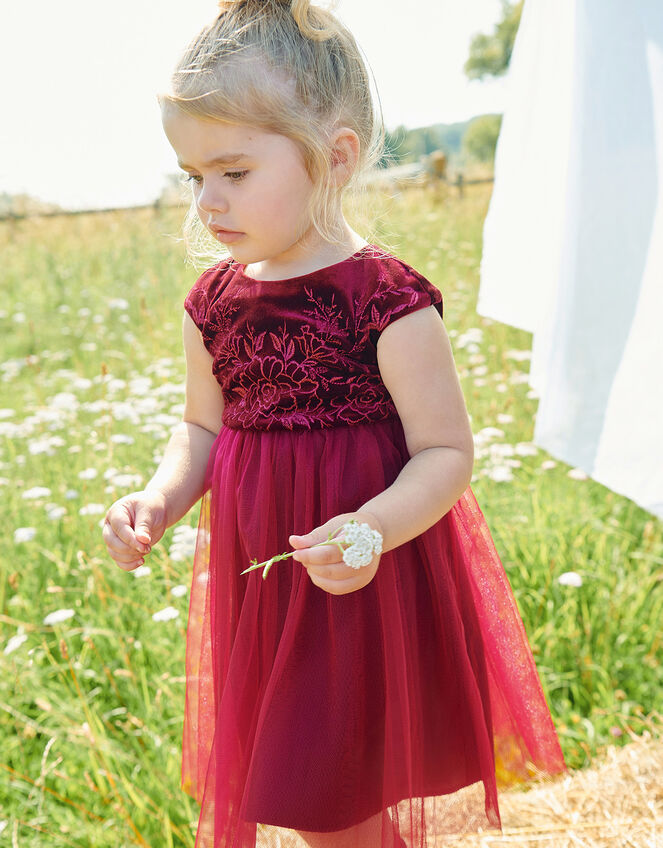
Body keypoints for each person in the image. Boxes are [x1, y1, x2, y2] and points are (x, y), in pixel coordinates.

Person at [102, 1, 565, 846]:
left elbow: (444, 452)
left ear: (335, 157)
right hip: (267, 583)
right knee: (318, 800)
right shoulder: (213, 303)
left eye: (234, 172)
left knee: (326, 805)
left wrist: (370, 530)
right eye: (191, 175)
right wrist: (160, 498)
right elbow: (200, 431)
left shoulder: (384, 300)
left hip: (361, 585)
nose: (207, 200)